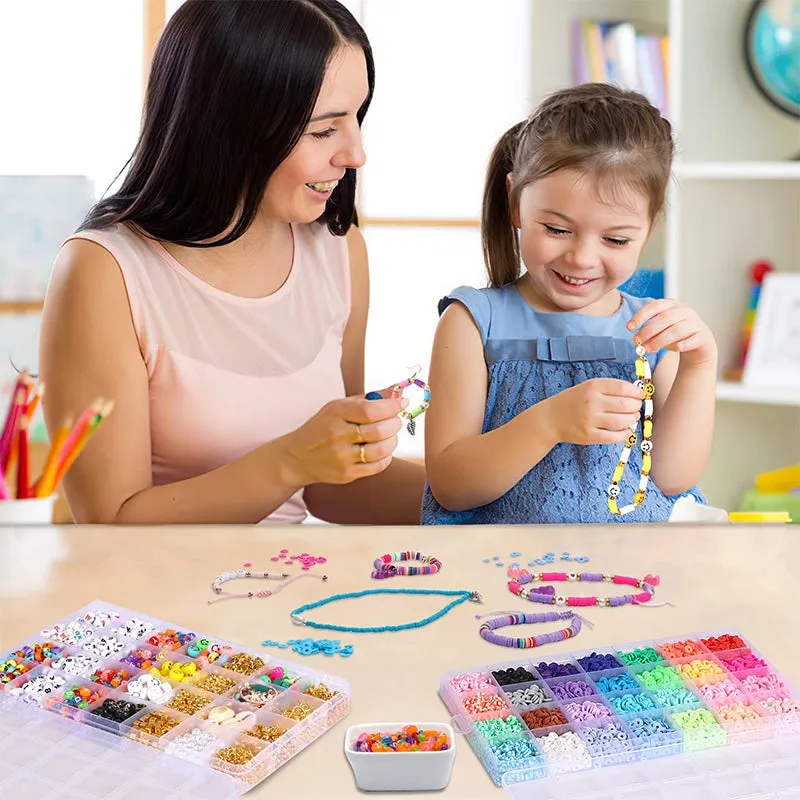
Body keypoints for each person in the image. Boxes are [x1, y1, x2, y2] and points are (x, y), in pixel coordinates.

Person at [38, 0, 424, 525]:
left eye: (357, 116)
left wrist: (496, 486)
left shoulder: (337, 250)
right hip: (153, 598)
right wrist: (288, 461)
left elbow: (335, 488)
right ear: (228, 125)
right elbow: (109, 523)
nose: (356, 153)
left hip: (285, 589)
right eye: (323, 130)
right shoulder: (104, 272)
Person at [422, 84, 716, 524]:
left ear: (648, 229)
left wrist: (699, 363)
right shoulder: (473, 323)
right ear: (515, 202)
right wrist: (548, 423)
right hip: (502, 572)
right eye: (557, 229)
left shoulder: (649, 330)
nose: (581, 258)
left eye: (615, 239)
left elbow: (672, 478)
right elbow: (451, 486)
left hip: (632, 577)